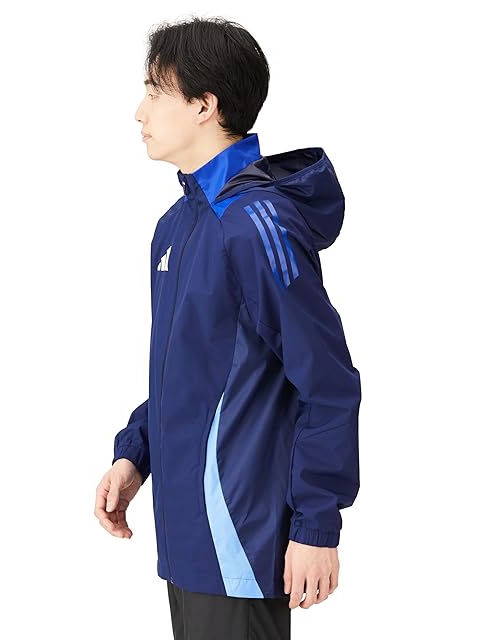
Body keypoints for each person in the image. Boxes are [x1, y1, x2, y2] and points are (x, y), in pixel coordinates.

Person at [94, 15, 362, 640]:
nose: (139, 112)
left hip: (239, 536)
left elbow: (327, 382)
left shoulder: (256, 224)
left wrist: (316, 525)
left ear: (204, 105)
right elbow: (193, 373)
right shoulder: (177, 226)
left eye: (155, 92)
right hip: (186, 539)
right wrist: (136, 454)